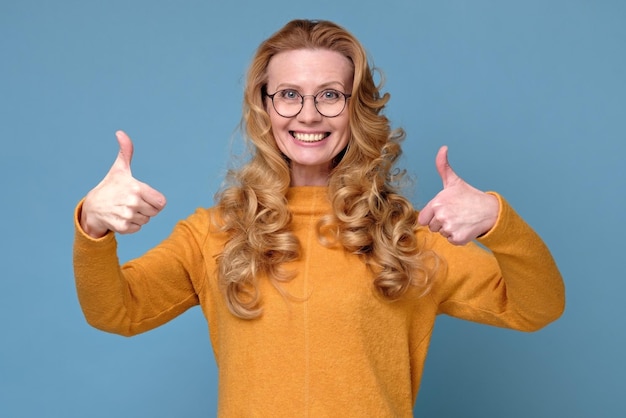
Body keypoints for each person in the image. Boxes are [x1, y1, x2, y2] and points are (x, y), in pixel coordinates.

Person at [73, 19, 565, 417]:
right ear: (265, 107)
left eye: (330, 94)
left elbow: (535, 307)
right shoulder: (213, 233)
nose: (308, 114)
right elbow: (117, 311)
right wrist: (93, 227)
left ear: (356, 108)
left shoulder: (408, 237)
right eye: (289, 94)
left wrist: (499, 219)